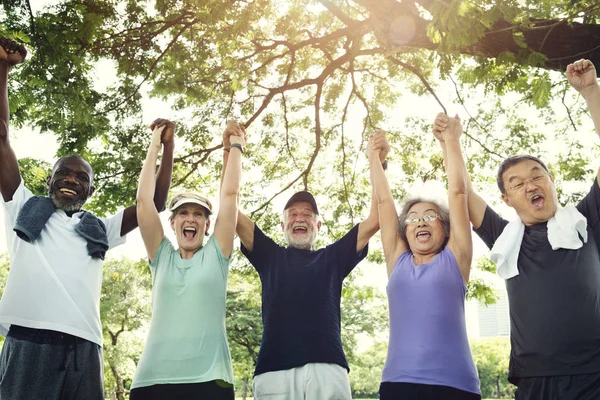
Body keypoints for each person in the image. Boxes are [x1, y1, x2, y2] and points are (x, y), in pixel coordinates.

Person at [0, 38, 174, 400]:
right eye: (64, 173)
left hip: (85, 345)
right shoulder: (23, 207)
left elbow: (154, 204)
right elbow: (1, 138)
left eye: (81, 178)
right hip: (30, 339)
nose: (71, 179)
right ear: (49, 180)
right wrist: (3, 69)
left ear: (90, 191)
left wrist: (166, 147)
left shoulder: (99, 229)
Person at [464, 59, 600, 399]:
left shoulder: (585, 220)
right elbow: (461, 192)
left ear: (551, 182)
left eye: (537, 175)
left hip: (594, 373)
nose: (530, 185)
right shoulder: (504, 237)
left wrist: (590, 91)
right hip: (534, 378)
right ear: (506, 199)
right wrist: (450, 141)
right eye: (518, 183)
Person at [228, 132, 385, 399]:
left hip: (328, 368)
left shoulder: (333, 257)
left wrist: (378, 162)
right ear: (283, 225)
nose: (300, 218)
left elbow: (377, 218)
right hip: (273, 371)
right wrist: (232, 149)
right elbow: (229, 206)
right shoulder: (269, 256)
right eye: (293, 214)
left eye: (307, 214)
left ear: (317, 225)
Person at [129, 120, 245, 400]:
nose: (190, 218)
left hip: (209, 380)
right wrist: (155, 145)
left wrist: (235, 146)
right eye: (183, 213)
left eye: (198, 214)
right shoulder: (162, 256)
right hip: (153, 380)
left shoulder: (217, 255)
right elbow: (144, 203)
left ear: (207, 225)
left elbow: (230, 196)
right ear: (172, 222)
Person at [369, 121, 480, 399]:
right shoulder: (398, 260)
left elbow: (458, 192)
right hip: (398, 383)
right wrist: (374, 158)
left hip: (454, 385)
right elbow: (383, 202)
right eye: (414, 218)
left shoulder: (456, 257)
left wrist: (450, 140)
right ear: (405, 231)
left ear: (445, 228)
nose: (421, 222)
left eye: (430, 216)